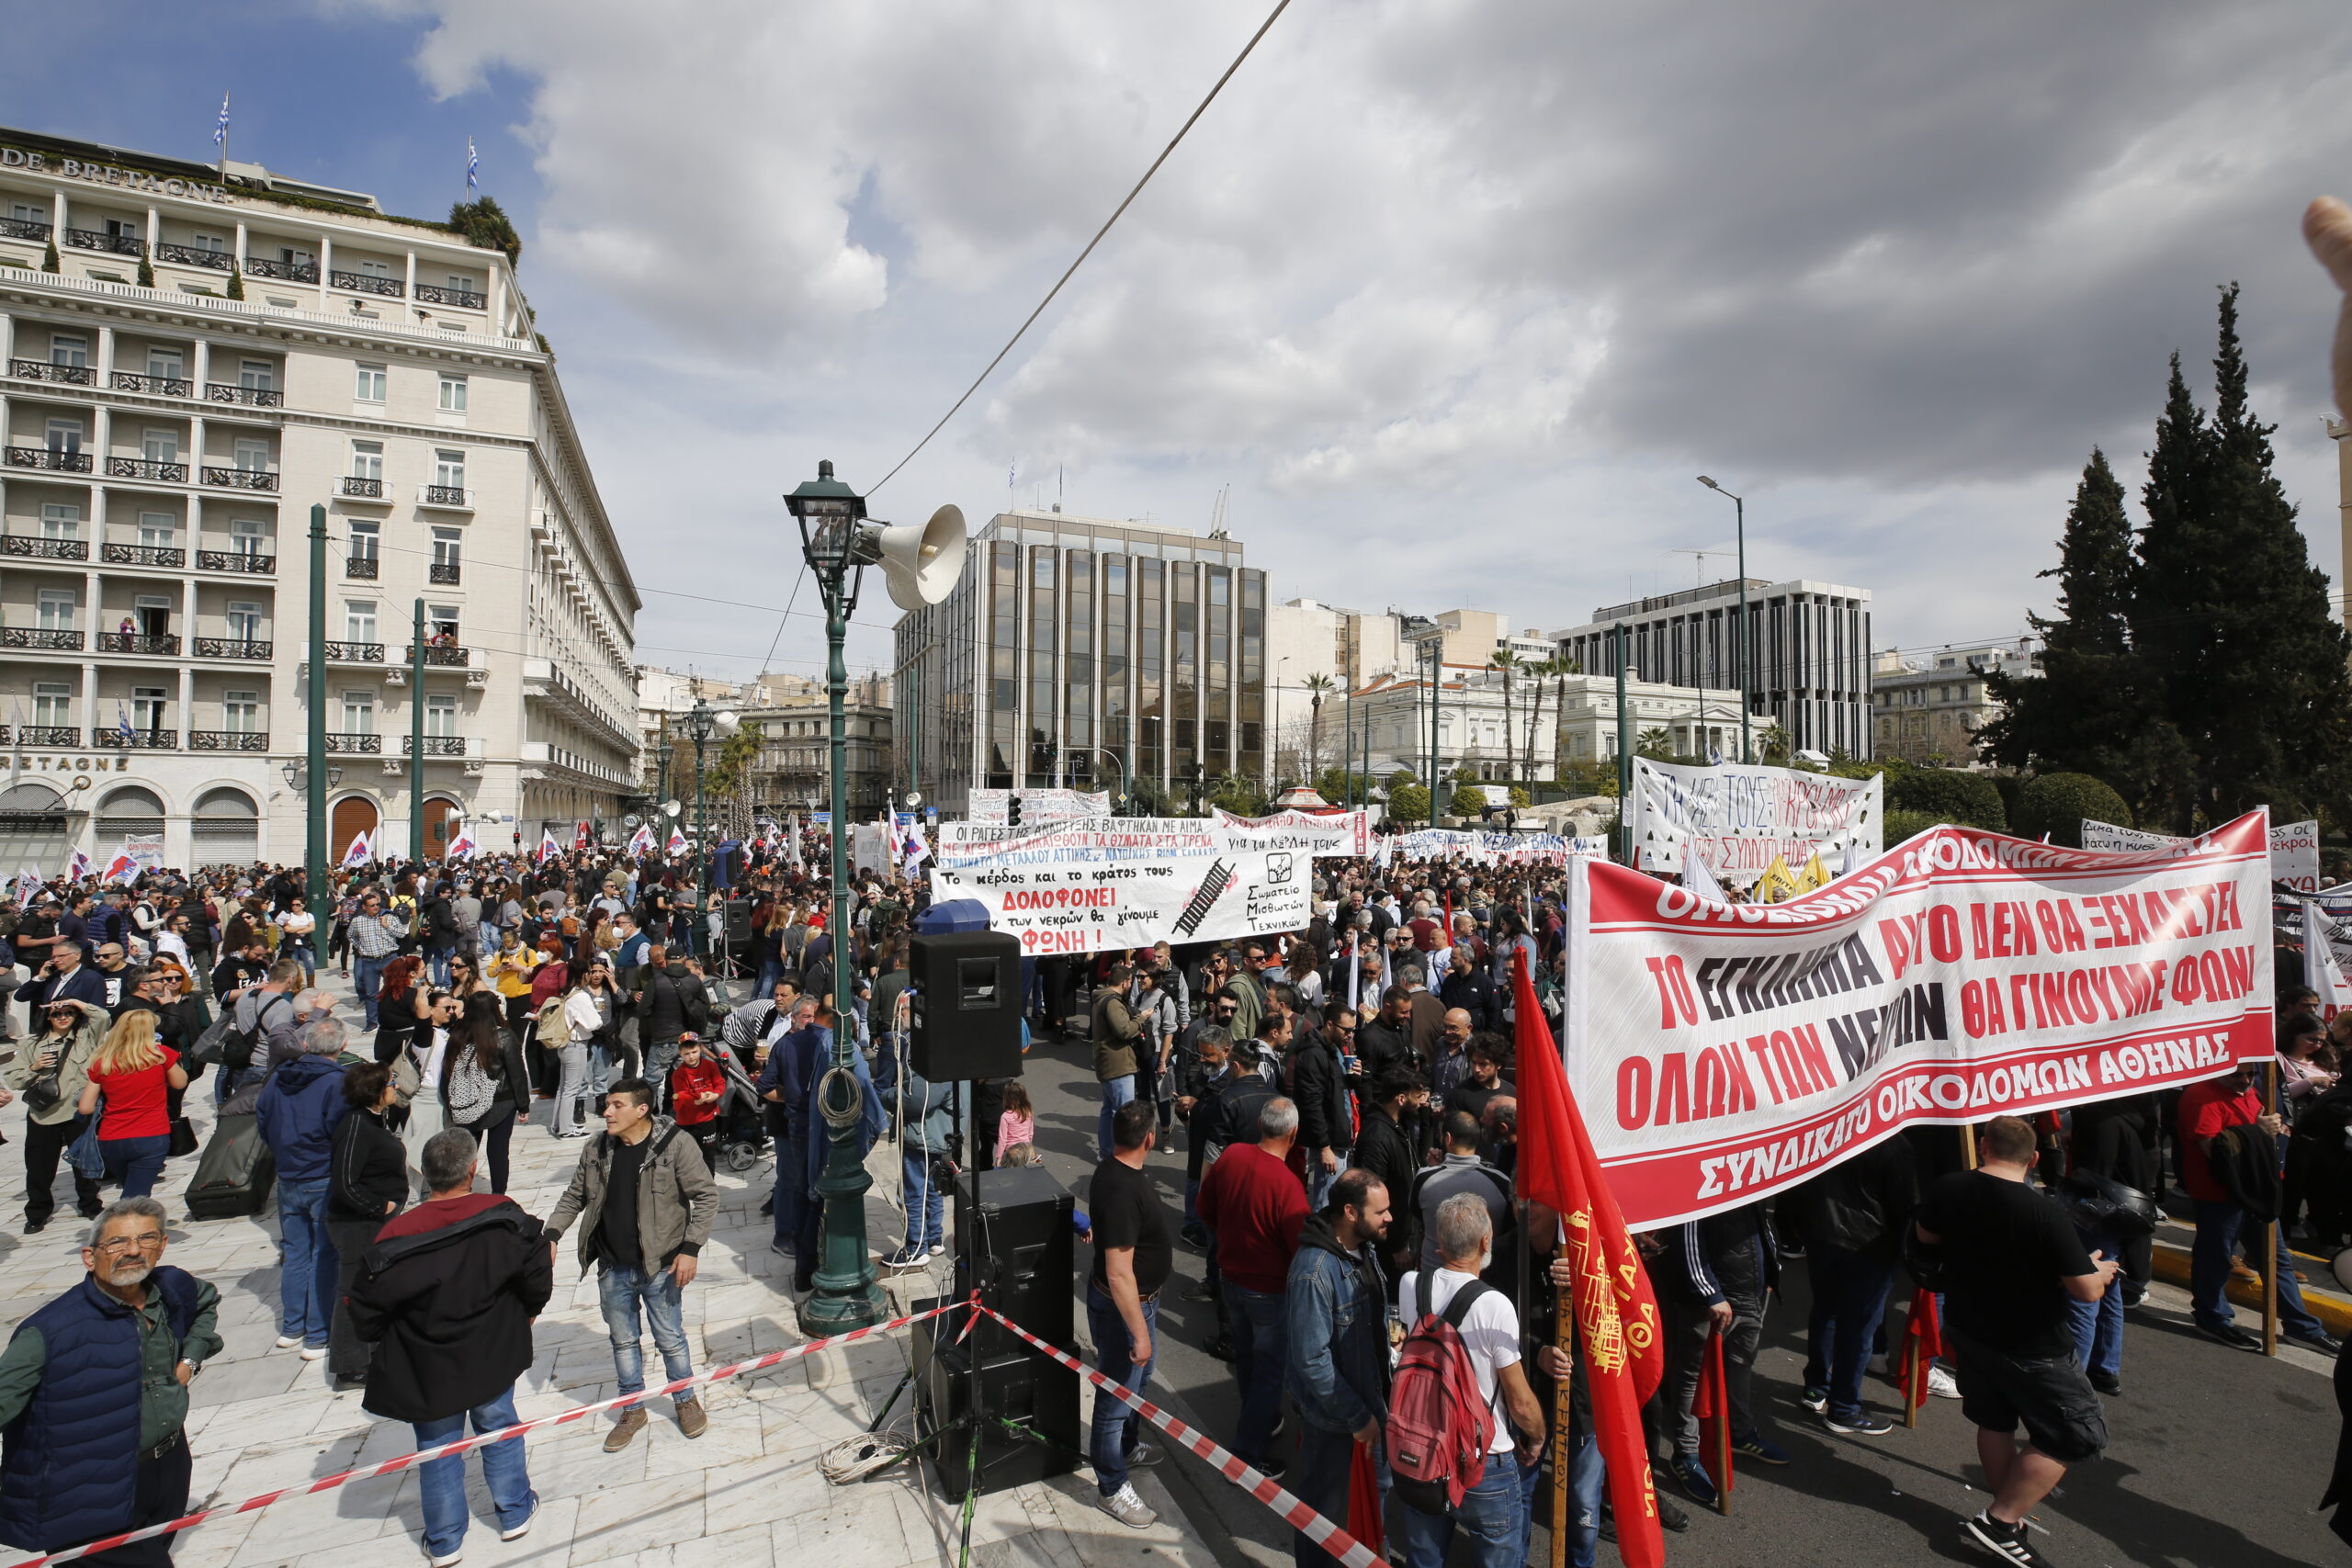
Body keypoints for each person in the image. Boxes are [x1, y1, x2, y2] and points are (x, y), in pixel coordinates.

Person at [1911, 1114, 2114, 1566]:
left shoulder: (1949, 1187)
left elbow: (1927, 1238)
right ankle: (2000, 1521)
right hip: (2032, 1343)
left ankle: (2009, 1514)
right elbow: (2086, 1291)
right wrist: (2096, 1271)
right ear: (2035, 1159)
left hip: (1969, 1328)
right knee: (2076, 1434)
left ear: (1984, 1146)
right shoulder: (2043, 1211)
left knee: (1995, 1420)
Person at [347, 1128, 548, 1567]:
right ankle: (513, 1512)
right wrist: (528, 1312)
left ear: (427, 1175)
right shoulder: (502, 1213)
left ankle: (444, 1541)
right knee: (499, 1425)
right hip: (492, 1351)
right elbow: (535, 1270)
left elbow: (365, 1312)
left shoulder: (395, 1236)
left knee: (438, 1448)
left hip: (428, 1365)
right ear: (473, 1170)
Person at [0, 1197, 221, 1568]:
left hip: (168, 1466)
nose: (133, 1251)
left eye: (146, 1239)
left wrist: (189, 1361)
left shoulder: (172, 1288)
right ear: (89, 1256)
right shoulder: (49, 1332)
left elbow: (206, 1303)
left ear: (162, 1245)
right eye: (117, 1242)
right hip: (88, 1491)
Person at [544, 1077, 718, 1450]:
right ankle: (631, 1407)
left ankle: (685, 1401)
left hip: (661, 1266)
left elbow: (705, 1197)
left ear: (642, 1110)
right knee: (623, 1342)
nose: (606, 1112)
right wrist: (551, 1235)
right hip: (612, 1267)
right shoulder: (596, 1148)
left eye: (616, 1105)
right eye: (607, 1105)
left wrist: (690, 1249)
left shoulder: (675, 1146)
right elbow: (574, 1195)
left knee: (670, 1339)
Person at [1393, 1192, 1546, 1568]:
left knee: (1424, 1556)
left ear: (1440, 1243)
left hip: (1423, 1447)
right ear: (1484, 1242)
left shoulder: (1411, 1285)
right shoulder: (1494, 1304)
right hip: (1484, 1459)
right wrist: (1538, 1435)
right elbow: (1520, 1403)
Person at [2178, 1059, 2338, 1354]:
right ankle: (2212, 1316)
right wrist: (2258, 1130)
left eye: (2250, 1074)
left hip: (2258, 1191)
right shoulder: (2200, 1096)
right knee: (2216, 1258)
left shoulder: (2252, 1092)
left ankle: (2301, 1326)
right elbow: (2213, 1149)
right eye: (2236, 1074)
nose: (2245, 1080)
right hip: (2219, 1195)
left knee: (2276, 1260)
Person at [1285, 1168, 1394, 1568]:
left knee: (1368, 1508)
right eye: (1381, 1211)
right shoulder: (1313, 1272)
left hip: (1371, 1408)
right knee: (1323, 1520)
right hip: (1337, 1421)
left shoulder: (1364, 1248)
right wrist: (1358, 1416)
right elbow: (1311, 1359)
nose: (1390, 1218)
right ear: (1349, 1212)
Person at [1198, 1096, 1309, 1477]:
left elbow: (1205, 1208)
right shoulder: (1287, 1185)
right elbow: (1301, 1249)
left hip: (1232, 1282)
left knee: (1247, 1360)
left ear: (1261, 1125)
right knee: (1268, 1372)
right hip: (1268, 1292)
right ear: (1293, 1134)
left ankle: (1259, 1421)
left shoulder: (1231, 1157)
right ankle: (1246, 1456)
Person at [1782, 1132, 1917, 1435]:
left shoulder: (1825, 1128)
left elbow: (1795, 1182)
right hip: (1870, 1246)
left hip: (1822, 1236)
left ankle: (1817, 1387)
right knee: (1859, 1328)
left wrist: (1795, 1229)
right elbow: (1904, 1205)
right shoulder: (1893, 1143)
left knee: (1826, 1312)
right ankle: (1844, 1407)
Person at [1656, 1200, 1786, 1506]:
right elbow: (1686, 1233)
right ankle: (1686, 1453)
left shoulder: (1745, 1164)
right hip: (1711, 1302)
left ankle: (1739, 1432)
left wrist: (1771, 1269)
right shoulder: (1701, 1164)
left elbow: (1760, 1221)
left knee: (1741, 1365)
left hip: (1750, 1292)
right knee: (1692, 1376)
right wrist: (1709, 1293)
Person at [1088, 1100, 1173, 1529]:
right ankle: (1111, 1487)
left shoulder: (1115, 1170)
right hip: (1128, 1309)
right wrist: (1138, 1332)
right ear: (1150, 1139)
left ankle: (1125, 1447)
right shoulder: (1123, 1188)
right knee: (1116, 1399)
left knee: (1137, 1381)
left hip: (1140, 1304)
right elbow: (1119, 1274)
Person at [256, 1018, 355, 1360]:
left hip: (288, 1174)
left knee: (296, 1253)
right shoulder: (337, 1083)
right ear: (341, 1049)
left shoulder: (276, 1079)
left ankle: (292, 1327)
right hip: (321, 1176)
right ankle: (316, 1333)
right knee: (322, 1253)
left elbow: (264, 1123)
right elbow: (341, 1132)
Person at [327, 1059, 407, 1391]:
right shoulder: (356, 1126)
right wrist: (379, 1206)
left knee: (373, 1287)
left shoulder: (373, 1119)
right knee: (353, 1291)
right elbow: (345, 1182)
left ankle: (373, 1350)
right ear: (376, 1091)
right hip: (358, 1225)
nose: (396, 1087)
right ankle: (349, 1365)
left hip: (375, 1223)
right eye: (391, 1083)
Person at [6, 998, 105, 1233]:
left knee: (84, 1162)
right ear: (47, 1018)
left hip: (77, 1110)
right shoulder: (33, 1044)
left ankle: (90, 1205)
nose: (63, 1017)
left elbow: (102, 1016)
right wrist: (35, 1067)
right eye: (57, 1014)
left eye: (68, 1013)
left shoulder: (85, 1037)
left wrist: (74, 1001)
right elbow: (12, 1079)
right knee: (39, 1167)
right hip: (44, 1114)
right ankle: (37, 1213)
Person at [77, 1011, 186, 1203]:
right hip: (150, 1134)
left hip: (112, 1138)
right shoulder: (160, 1056)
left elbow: (85, 1107)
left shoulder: (103, 1062)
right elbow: (180, 1082)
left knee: (131, 1188)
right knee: (134, 1198)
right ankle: (121, 1229)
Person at [1407, 1111, 1516, 1286]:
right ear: (1477, 1139)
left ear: (1448, 1138)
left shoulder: (1424, 1179)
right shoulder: (1501, 1182)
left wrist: (1433, 1170)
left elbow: (1419, 1216)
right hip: (1484, 1285)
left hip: (1432, 1285)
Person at [442, 993, 530, 1196]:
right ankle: (498, 1194)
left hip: (468, 1101)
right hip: (501, 1101)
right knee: (498, 1151)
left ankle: (462, 1191)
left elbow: (448, 1072)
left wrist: (450, 1102)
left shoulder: (457, 1036)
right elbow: (517, 1073)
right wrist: (523, 1105)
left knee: (466, 1152)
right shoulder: (504, 1036)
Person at [885, 1053, 953, 1269]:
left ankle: (916, 1248)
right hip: (937, 1134)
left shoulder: (931, 1054)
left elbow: (915, 1099)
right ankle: (934, 1239)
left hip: (923, 1137)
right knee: (932, 1190)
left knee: (914, 1193)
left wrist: (886, 1094)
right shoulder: (951, 1052)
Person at [1091, 961, 1144, 1161]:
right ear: (1124, 982)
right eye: (1130, 982)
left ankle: (1106, 1153)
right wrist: (1140, 1019)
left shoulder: (1101, 998)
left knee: (1109, 1110)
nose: (1131, 986)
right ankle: (1119, 1157)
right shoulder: (1112, 1002)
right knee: (1123, 1113)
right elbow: (1124, 1030)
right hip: (1118, 1065)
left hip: (1108, 1063)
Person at [345, 890, 406, 1032]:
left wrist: (387, 926)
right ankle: (372, 1021)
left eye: (377, 905)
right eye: (372, 905)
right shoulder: (358, 921)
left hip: (389, 958)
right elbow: (350, 936)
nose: (375, 908)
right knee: (371, 993)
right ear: (364, 907)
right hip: (369, 961)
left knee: (394, 989)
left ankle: (394, 1017)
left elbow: (402, 934)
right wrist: (360, 947)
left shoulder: (389, 917)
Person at [668, 1035, 728, 1170]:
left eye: (694, 1052)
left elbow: (720, 1082)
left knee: (708, 1155)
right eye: (686, 1054)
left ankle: (709, 1182)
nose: (691, 1056)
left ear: (700, 1048)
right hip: (687, 1121)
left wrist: (716, 1094)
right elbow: (680, 1096)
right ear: (680, 1054)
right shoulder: (678, 1074)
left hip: (708, 1119)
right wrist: (696, 1100)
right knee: (687, 1156)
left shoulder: (711, 1066)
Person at [997, 1079, 1036, 1156]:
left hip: (1012, 1152)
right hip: (1026, 1149)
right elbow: (1030, 1134)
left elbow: (1002, 1139)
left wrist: (999, 1157)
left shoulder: (1005, 1116)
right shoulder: (1028, 1112)